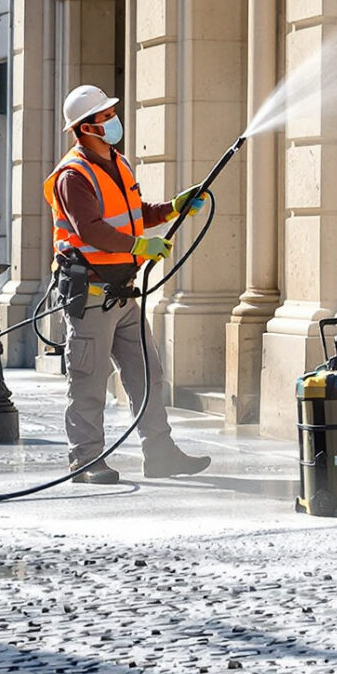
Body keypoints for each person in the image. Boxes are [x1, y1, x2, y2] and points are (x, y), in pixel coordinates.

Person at [46, 84, 215, 484]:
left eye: (111, 114)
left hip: (124, 295)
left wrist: (172, 208)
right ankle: (85, 461)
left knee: (148, 375)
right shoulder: (73, 175)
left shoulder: (117, 163)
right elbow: (91, 230)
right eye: (105, 117)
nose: (113, 121)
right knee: (88, 382)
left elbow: (134, 212)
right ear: (86, 127)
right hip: (91, 296)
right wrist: (140, 245)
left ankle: (161, 454)